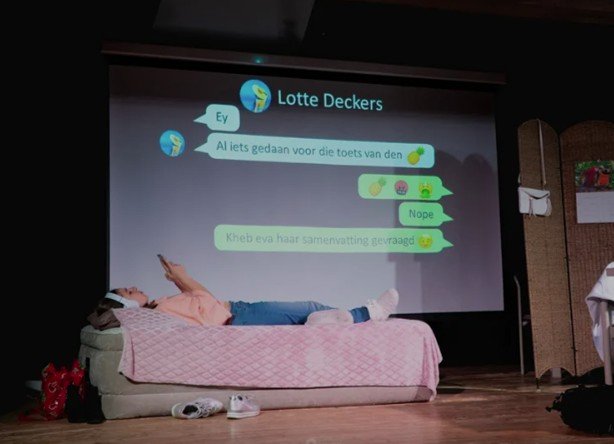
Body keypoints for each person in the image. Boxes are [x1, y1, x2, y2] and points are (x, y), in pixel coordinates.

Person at [88, 259, 399, 328]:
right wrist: (184, 279)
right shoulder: (158, 315)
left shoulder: (161, 305)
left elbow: (204, 301)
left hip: (237, 308)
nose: (135, 287)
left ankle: (338, 320)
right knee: (310, 306)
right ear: (125, 305)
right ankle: (368, 314)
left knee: (311, 310)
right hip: (237, 317)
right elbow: (205, 304)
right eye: (128, 291)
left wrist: (179, 281)